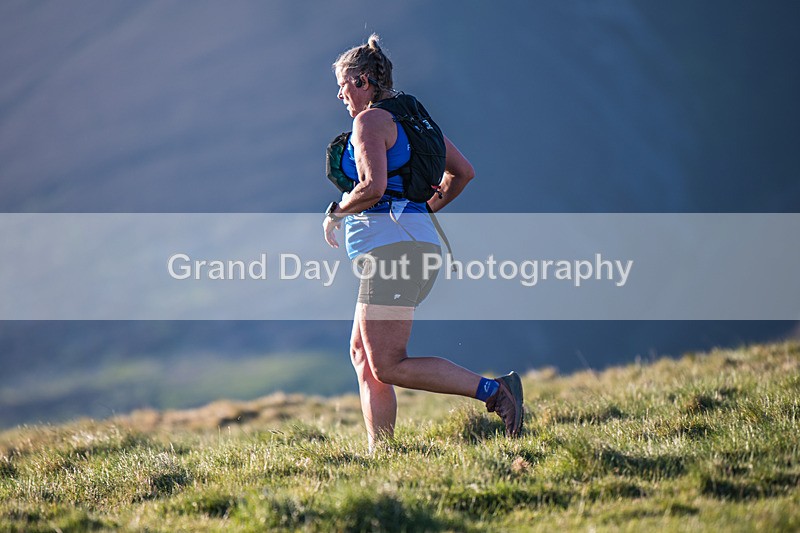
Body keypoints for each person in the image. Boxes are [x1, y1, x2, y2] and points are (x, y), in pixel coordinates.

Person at [323, 34, 524, 451]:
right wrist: (425, 210)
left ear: (362, 81)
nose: (339, 94)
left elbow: (373, 187)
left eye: (343, 85)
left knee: (388, 363)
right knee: (363, 355)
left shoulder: (369, 122)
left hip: (393, 252)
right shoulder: (416, 123)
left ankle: (495, 391)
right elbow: (463, 172)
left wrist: (337, 211)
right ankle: (383, 452)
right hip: (412, 247)